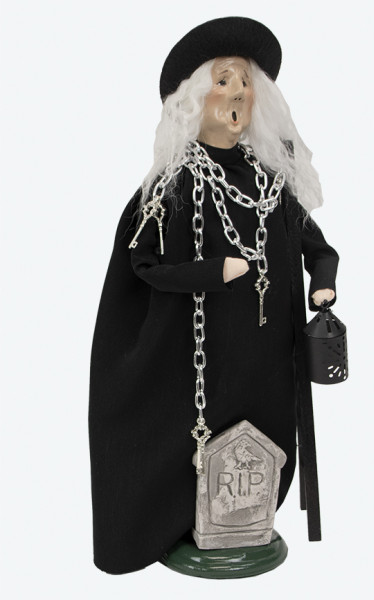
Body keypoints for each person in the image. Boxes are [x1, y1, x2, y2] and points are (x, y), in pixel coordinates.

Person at [89, 17, 340, 575]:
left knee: (260, 445)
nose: (237, 93)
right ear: (194, 99)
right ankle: (179, 523)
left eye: (245, 82)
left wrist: (323, 280)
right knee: (198, 447)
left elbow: (317, 246)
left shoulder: (271, 181)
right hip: (196, 363)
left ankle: (247, 523)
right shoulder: (171, 186)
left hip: (266, 360)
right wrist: (212, 272)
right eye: (223, 81)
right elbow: (144, 266)